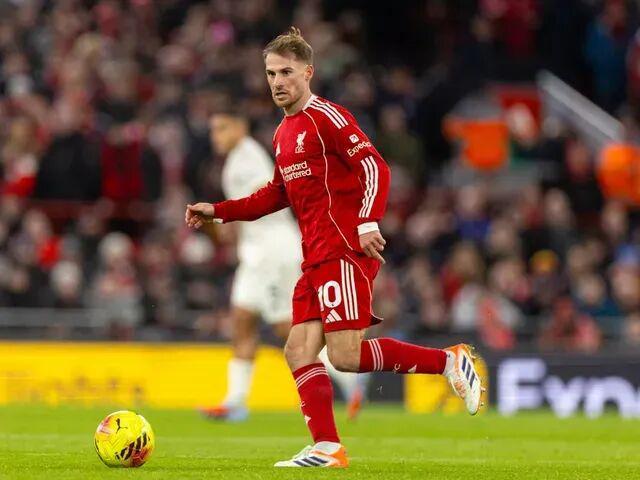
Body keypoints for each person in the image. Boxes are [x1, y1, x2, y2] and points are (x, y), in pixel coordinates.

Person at [186, 27, 483, 468]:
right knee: (298, 350)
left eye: (286, 72)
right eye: (271, 74)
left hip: (342, 249)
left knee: (345, 356)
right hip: (314, 256)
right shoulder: (283, 133)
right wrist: (219, 211)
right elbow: (274, 195)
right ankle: (327, 447)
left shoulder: (328, 116)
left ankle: (448, 361)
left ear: (308, 72)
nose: (277, 82)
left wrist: (367, 221)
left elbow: (375, 166)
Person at [200, 109, 366, 421]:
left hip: (274, 253)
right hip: (254, 255)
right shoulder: (236, 160)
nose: (215, 137)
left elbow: (266, 198)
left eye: (222, 128)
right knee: (241, 320)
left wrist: (223, 216)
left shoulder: (248, 158)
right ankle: (235, 402)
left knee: (286, 329)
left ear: (240, 126)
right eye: (213, 130)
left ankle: (348, 373)